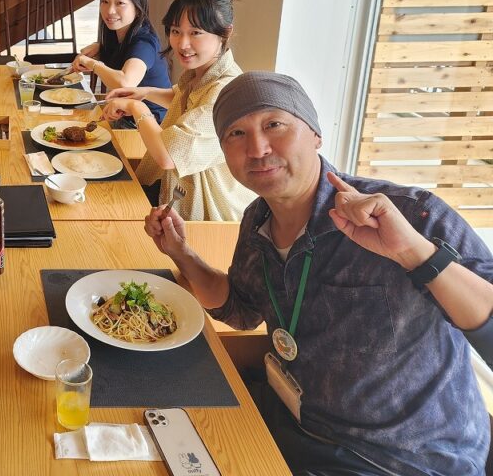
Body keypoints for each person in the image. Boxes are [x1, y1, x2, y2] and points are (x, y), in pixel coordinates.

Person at [146, 71, 493, 476]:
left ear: (315, 134)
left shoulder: (411, 213)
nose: (257, 149)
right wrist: (181, 253)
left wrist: (414, 254)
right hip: (292, 429)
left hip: (401, 460)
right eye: (236, 134)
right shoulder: (257, 221)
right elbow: (242, 311)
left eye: (275, 124)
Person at [103, 0, 255, 218]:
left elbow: (168, 157)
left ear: (225, 33)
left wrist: (137, 107)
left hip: (209, 215)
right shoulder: (203, 73)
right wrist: (143, 92)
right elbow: (183, 97)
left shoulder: (226, 92)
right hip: (172, 190)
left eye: (195, 33)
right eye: (176, 31)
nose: (183, 44)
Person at [70, 0, 171, 126]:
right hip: (124, 115)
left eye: (120, 3)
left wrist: (93, 64)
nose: (110, 10)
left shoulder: (144, 42)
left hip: (149, 124)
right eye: (105, 1)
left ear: (137, 7)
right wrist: (99, 48)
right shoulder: (116, 33)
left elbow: (125, 83)